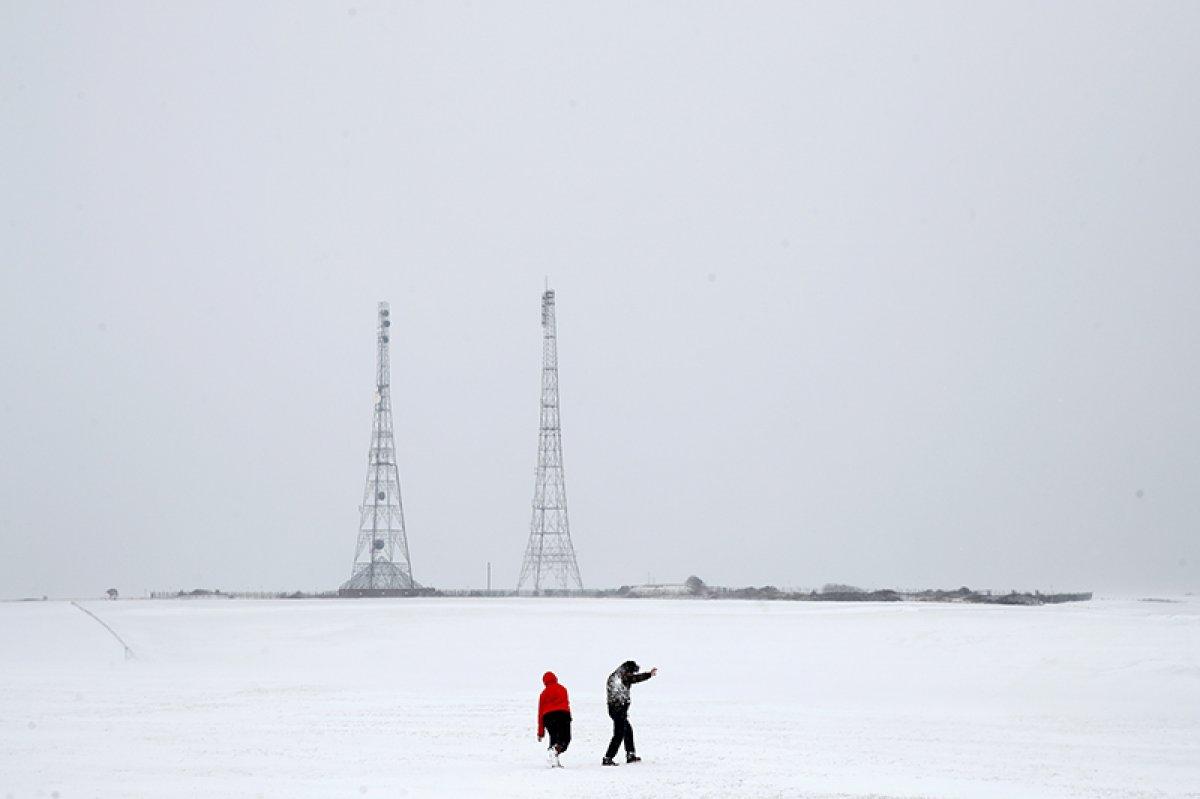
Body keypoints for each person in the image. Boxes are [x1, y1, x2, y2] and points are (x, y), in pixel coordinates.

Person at [602, 660, 657, 765]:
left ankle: (630, 754)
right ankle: (608, 757)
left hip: (614, 709)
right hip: (619, 710)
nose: (633, 673)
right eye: (632, 671)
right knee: (619, 734)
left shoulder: (615, 676)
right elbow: (635, 678)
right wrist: (649, 674)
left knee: (627, 731)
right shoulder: (622, 676)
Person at [536, 671, 572, 767]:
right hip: (563, 715)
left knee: (554, 737)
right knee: (566, 738)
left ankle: (554, 758)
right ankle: (555, 752)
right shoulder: (562, 689)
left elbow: (540, 713)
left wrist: (540, 732)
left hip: (548, 717)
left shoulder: (543, 694)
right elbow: (567, 704)